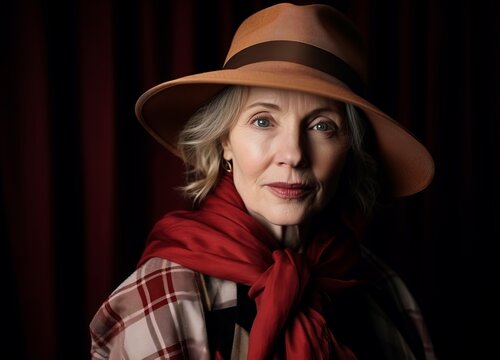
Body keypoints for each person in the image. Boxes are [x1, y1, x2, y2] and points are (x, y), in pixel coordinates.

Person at [89, 3, 436, 359]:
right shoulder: (168, 294)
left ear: (350, 150)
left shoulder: (380, 288)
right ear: (225, 141)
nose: (294, 154)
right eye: (263, 121)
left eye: (322, 126)